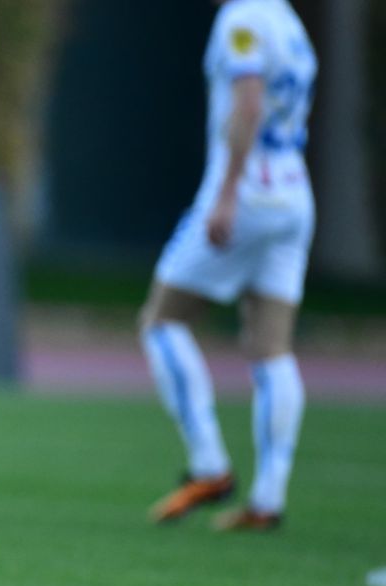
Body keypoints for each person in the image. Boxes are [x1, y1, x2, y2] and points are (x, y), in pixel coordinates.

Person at [140, 0, 316, 531]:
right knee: (271, 348)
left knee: (162, 320)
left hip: (247, 196)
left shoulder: (242, 20)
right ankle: (268, 498)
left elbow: (248, 105)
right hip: (293, 196)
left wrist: (226, 193)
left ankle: (209, 463)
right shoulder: (288, 21)